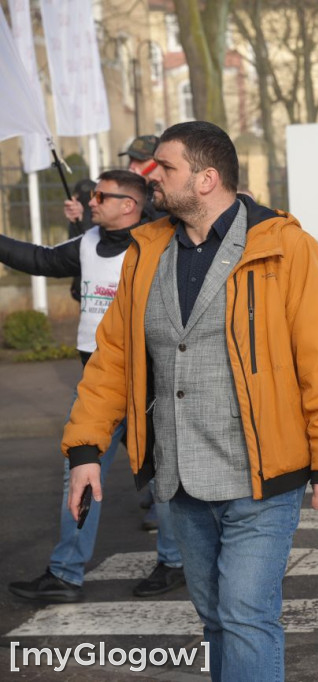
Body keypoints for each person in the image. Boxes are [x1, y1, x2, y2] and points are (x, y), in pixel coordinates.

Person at [62, 121, 318, 681]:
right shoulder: (147, 252)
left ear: (206, 178)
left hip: (262, 474)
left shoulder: (285, 246)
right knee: (215, 619)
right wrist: (83, 451)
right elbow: (113, 361)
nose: (153, 178)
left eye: (165, 168)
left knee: (246, 616)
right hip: (180, 477)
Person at [6, 170, 186, 603]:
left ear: (130, 205)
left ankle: (175, 562)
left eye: (101, 195)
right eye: (92, 194)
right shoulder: (87, 243)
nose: (91, 200)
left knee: (164, 478)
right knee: (80, 475)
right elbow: (40, 259)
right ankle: (66, 574)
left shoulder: (161, 244)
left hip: (147, 381)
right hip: (97, 383)